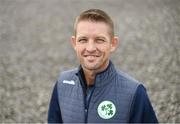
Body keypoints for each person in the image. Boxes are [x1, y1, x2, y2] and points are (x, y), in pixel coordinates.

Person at [48, 9, 158, 123]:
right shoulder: (62, 83)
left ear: (113, 44)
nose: (90, 48)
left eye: (99, 40)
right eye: (83, 40)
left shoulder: (135, 92)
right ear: (74, 43)